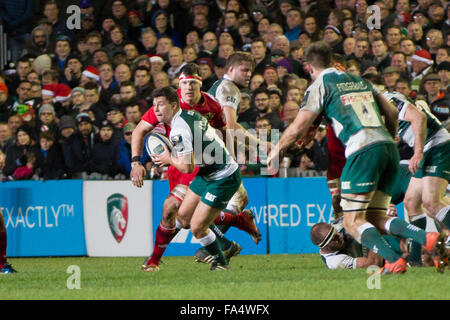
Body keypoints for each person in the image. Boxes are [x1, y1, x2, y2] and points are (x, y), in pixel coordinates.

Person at [267, 41, 446, 274]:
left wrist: (275, 151)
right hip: (388, 149)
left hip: (362, 150)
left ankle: (393, 259)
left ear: (308, 67)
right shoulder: (361, 81)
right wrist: (390, 140)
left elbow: (298, 128)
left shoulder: (321, 85)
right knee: (374, 217)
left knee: (352, 222)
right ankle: (427, 237)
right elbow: (391, 112)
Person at [131, 64, 260, 272]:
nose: (188, 88)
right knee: (183, 218)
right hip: (197, 167)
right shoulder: (175, 111)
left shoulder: (204, 110)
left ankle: (157, 260)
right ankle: (235, 227)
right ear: (179, 87)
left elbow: (222, 137)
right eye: (184, 83)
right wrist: (136, 162)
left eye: (193, 83)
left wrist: (168, 157)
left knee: (184, 217)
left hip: (204, 169)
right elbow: (138, 131)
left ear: (201, 84)